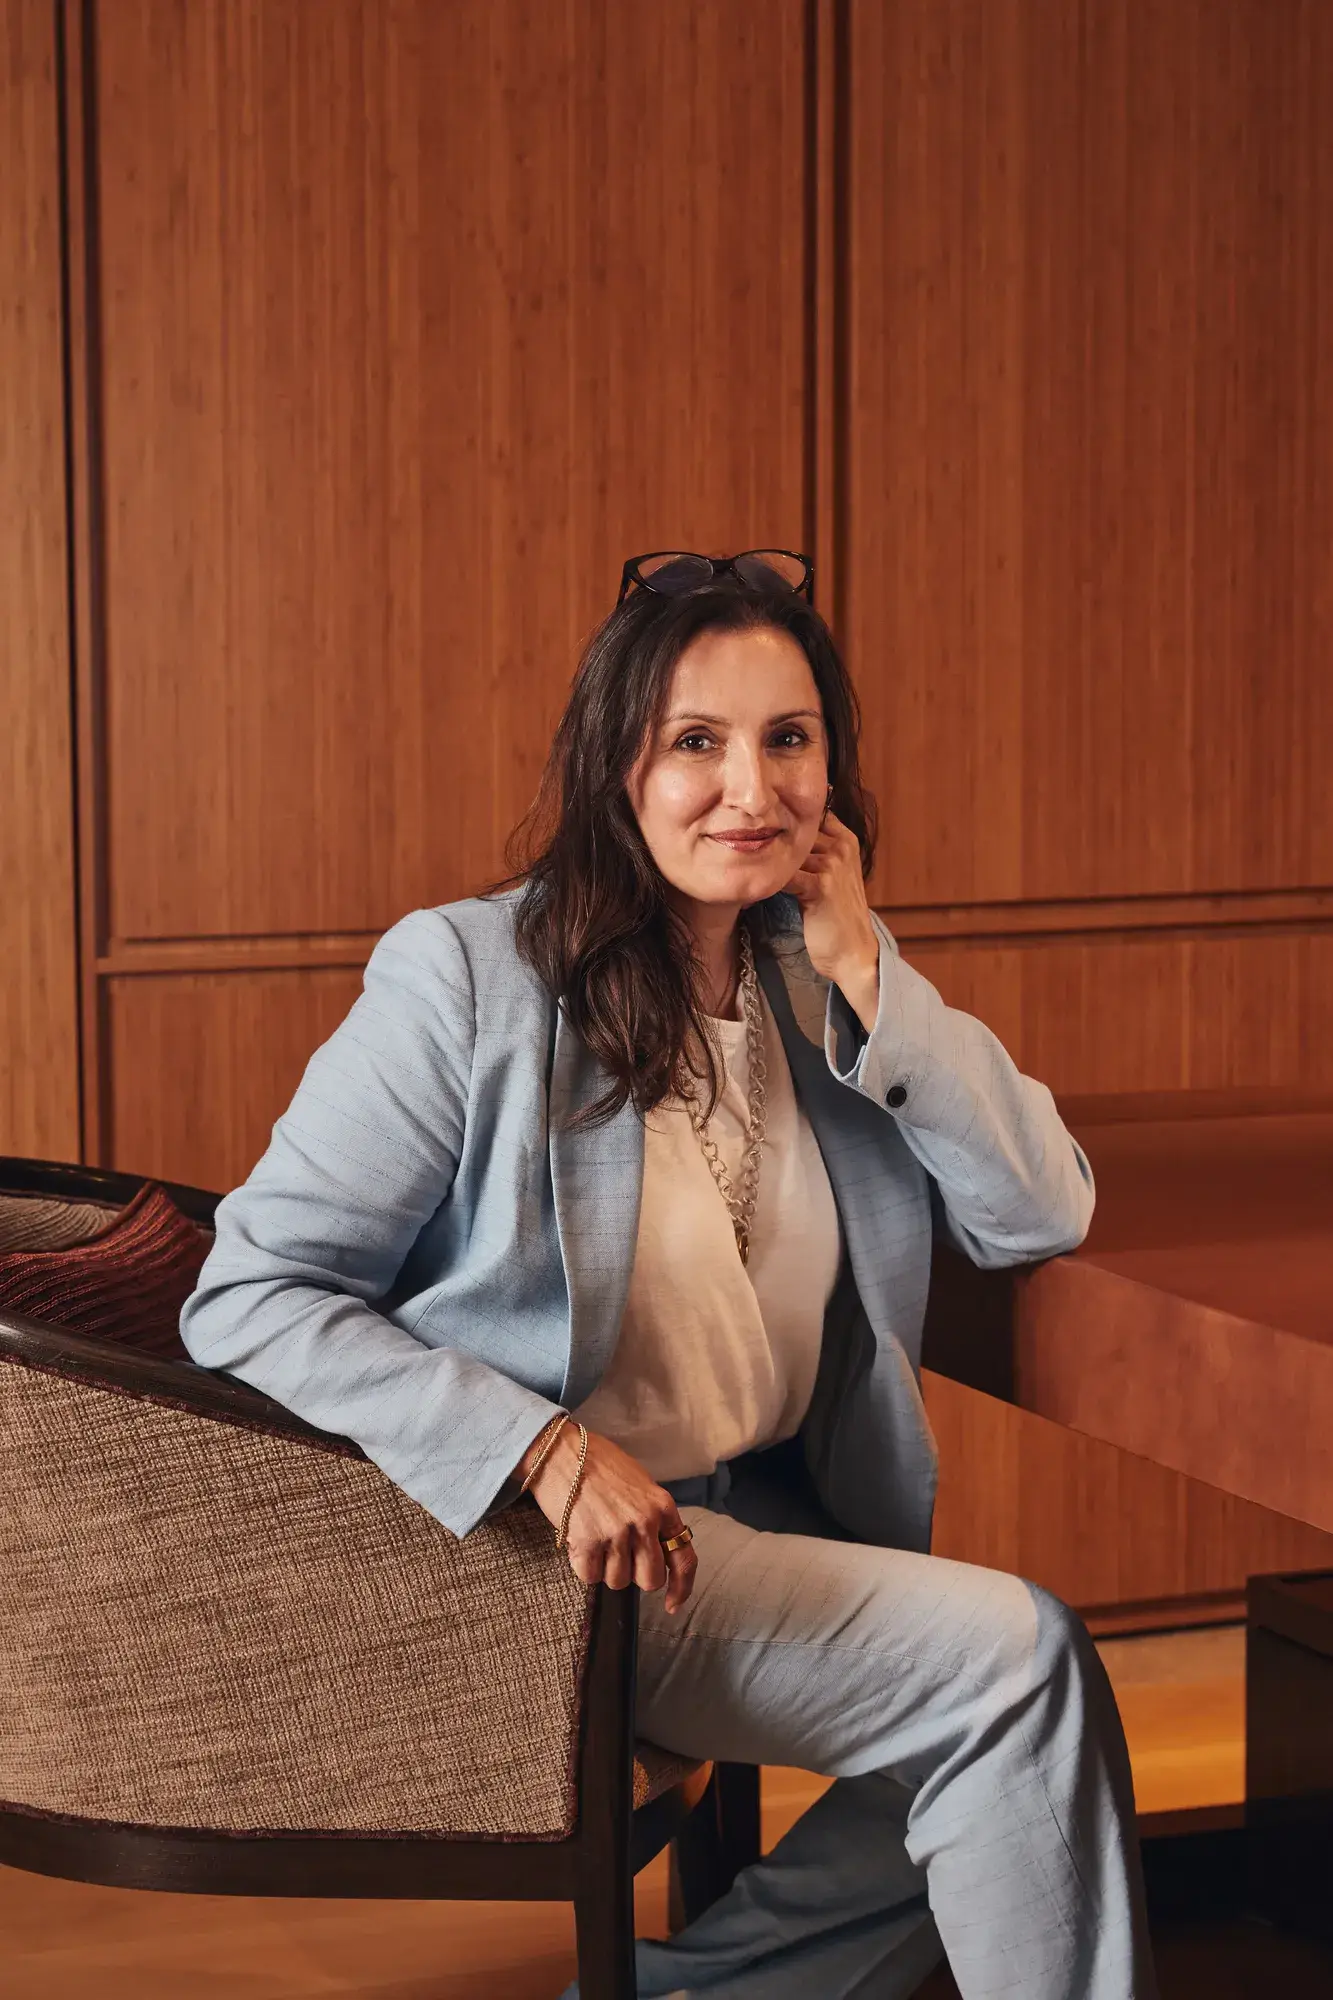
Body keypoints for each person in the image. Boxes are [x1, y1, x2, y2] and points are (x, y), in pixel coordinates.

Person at [180, 549, 1157, 1998]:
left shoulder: (816, 983)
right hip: (546, 1563)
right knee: (1015, 1676)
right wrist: (541, 1447)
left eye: (790, 740)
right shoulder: (467, 979)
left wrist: (874, 974)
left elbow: (1037, 1209)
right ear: (614, 767)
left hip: (739, 1526)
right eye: (697, 743)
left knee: (1016, 1742)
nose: (750, 790)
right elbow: (247, 1292)